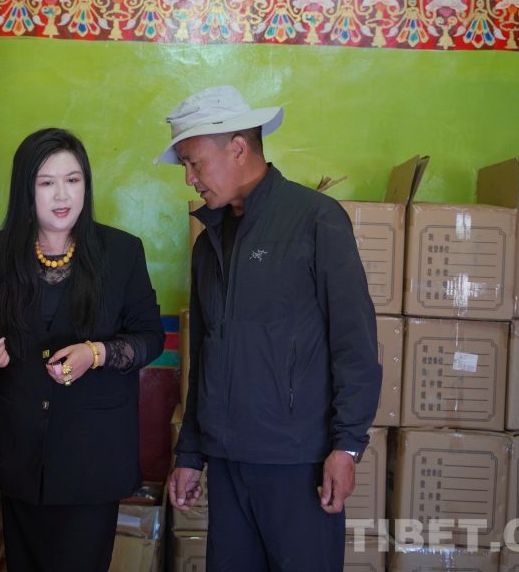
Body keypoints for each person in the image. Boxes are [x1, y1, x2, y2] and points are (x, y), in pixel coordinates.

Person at [157, 86, 382, 571]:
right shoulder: (208, 243)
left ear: (238, 148)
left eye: (195, 163)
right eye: (186, 166)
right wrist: (191, 452)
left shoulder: (316, 220)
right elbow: (206, 356)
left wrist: (347, 445)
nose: (190, 178)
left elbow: (355, 343)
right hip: (227, 463)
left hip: (298, 464)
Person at [0, 128, 165, 572]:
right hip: (22, 447)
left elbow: (151, 337)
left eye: (73, 180)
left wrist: (95, 353)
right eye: (46, 182)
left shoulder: (121, 251)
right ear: (26, 189)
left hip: (92, 453)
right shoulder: (1, 250)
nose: (62, 195)